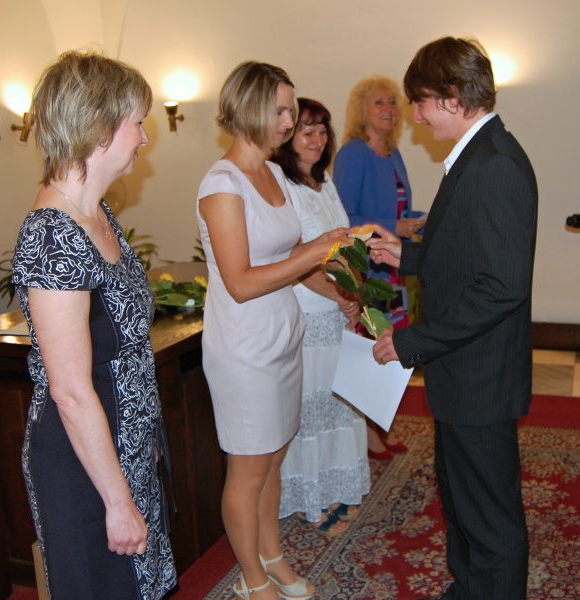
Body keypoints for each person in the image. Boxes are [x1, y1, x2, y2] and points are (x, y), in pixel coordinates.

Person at [370, 37, 537, 600]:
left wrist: (411, 341)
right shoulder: (476, 155)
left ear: (452, 94)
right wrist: (407, 256)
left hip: (479, 377)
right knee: (463, 500)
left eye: (420, 101)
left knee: (489, 517)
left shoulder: (495, 165)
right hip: (464, 373)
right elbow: (469, 256)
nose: (415, 115)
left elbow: (500, 288)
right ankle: (470, 587)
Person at [11, 50, 175, 600]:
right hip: (84, 466)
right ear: (100, 123)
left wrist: (146, 437)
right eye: (138, 122)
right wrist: (118, 500)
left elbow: (124, 348)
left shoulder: (98, 213)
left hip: (123, 444)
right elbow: (71, 390)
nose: (144, 138)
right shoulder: (52, 234)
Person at [196, 62, 352, 600]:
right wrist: (316, 250)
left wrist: (339, 294)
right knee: (247, 466)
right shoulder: (221, 184)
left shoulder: (274, 173)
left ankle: (272, 555)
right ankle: (252, 579)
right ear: (248, 108)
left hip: (284, 334)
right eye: (281, 111)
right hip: (244, 344)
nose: (288, 122)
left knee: (274, 456)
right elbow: (240, 282)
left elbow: (294, 260)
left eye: (291, 111)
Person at [270, 98, 369, 536]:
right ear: (287, 136)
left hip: (338, 310)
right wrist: (339, 295)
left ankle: (336, 487)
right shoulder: (282, 185)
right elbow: (296, 257)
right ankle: (310, 497)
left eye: (322, 131)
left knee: (338, 405)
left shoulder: (324, 180)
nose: (316, 139)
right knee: (311, 411)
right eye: (306, 131)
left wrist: (354, 293)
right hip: (308, 311)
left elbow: (343, 244)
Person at [333, 75, 422, 459]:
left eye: (392, 102)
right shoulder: (353, 153)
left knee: (390, 348)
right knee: (372, 350)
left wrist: (421, 221)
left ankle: (380, 423)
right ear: (362, 110)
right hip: (367, 272)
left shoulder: (393, 153)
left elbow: (400, 212)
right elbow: (344, 219)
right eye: (379, 102)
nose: (388, 109)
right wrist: (393, 225)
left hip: (393, 270)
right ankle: (369, 434)